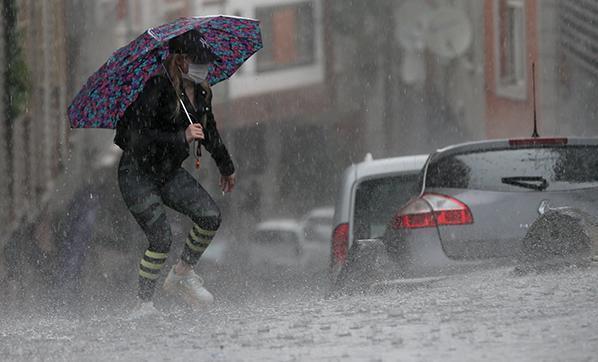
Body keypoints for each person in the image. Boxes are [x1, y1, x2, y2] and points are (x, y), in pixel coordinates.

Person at [114, 29, 236, 317]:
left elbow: (210, 133)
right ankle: (143, 303)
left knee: (210, 216)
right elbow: (136, 137)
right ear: (180, 61)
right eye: (197, 60)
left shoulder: (202, 93)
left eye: (206, 61)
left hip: (167, 172)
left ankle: (182, 274)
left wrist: (226, 166)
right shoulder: (156, 88)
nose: (203, 67)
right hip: (137, 172)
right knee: (161, 238)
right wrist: (180, 138)